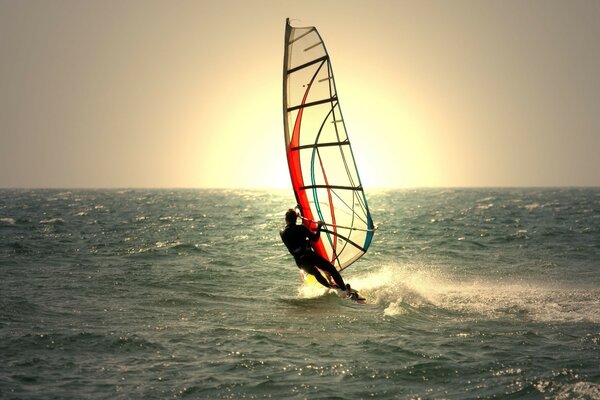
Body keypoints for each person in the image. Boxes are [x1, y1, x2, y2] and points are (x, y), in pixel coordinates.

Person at [280, 208, 356, 299]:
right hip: (309, 256)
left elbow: (293, 233)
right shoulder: (301, 228)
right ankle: (344, 290)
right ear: (296, 218)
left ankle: (332, 287)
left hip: (300, 262)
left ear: (286, 219)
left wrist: (296, 211)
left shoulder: (282, 233)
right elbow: (315, 238)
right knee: (331, 269)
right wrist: (319, 226)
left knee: (316, 274)